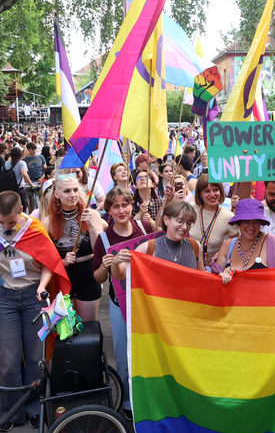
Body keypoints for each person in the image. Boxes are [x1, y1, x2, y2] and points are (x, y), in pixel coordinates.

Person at [0, 192, 70, 432]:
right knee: (9, 359)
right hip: (4, 298)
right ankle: (11, 411)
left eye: (11, 222)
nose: (5, 227)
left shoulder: (34, 228)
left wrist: (43, 287)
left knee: (36, 355)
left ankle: (35, 407)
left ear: (22, 210)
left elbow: (50, 263)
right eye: (1, 221)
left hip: (32, 295)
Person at [93, 188, 153, 420]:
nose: (121, 210)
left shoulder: (146, 229)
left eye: (125, 204)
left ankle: (148, 397)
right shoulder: (104, 239)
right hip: (119, 304)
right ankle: (128, 402)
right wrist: (107, 265)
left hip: (147, 301)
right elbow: (97, 278)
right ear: (108, 210)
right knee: (123, 353)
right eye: (116, 206)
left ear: (132, 206)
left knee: (148, 351)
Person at [42, 174, 107, 321]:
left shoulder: (92, 214)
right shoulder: (48, 222)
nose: (73, 195)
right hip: (63, 278)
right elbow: (44, 258)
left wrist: (90, 226)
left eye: (76, 190)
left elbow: (99, 251)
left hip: (89, 276)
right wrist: (62, 262)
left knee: (88, 328)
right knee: (66, 330)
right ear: (57, 194)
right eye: (67, 191)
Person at [115, 201, 204, 271]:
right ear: (166, 220)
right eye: (180, 221)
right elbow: (122, 274)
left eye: (188, 223)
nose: (184, 227)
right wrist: (115, 263)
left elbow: (202, 278)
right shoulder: (148, 248)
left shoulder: (195, 246)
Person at [214, 199, 275, 281]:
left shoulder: (274, 244)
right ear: (238, 222)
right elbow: (216, 282)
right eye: (246, 221)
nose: (251, 227)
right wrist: (223, 275)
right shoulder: (227, 246)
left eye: (256, 222)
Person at [189, 175, 237, 266]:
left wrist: (220, 254)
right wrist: (169, 199)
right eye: (207, 191)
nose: (212, 194)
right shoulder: (190, 209)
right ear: (199, 193)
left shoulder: (229, 216)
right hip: (189, 266)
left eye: (215, 190)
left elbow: (236, 244)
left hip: (213, 269)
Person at [0, 146, 34, 212]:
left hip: (7, 189)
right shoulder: (21, 163)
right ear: (20, 155)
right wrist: (31, 184)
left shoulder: (6, 163)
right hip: (19, 189)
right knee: (22, 207)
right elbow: (24, 174)